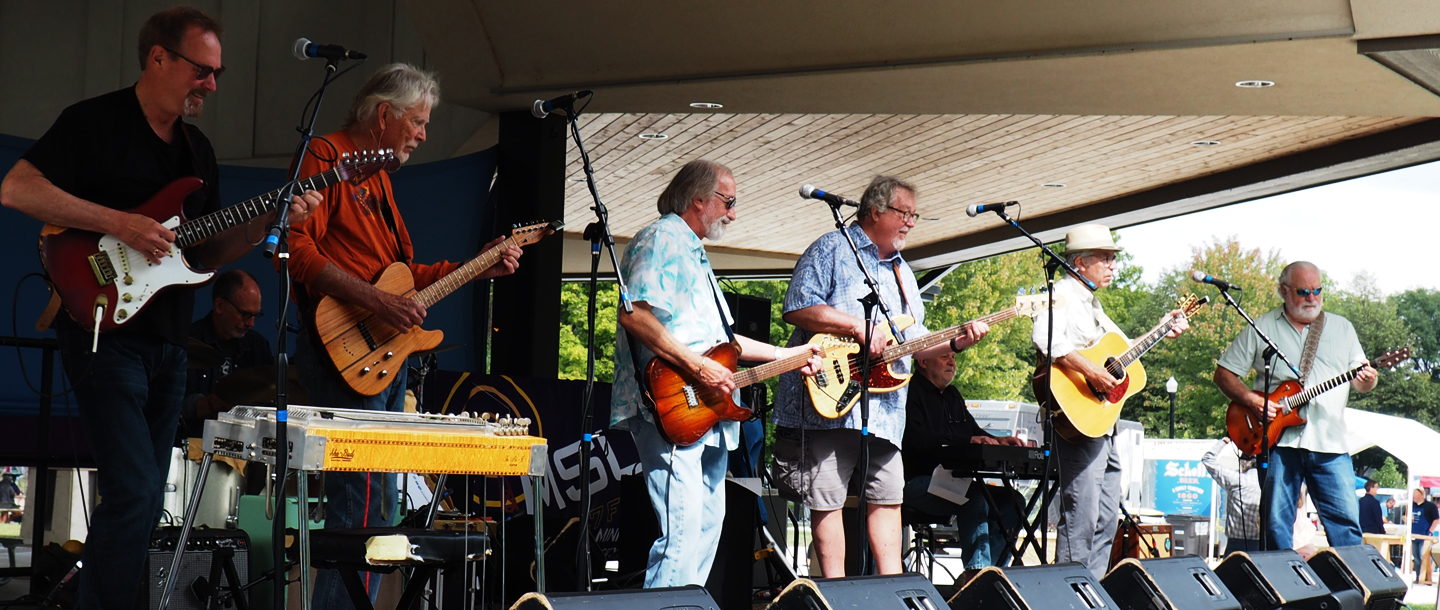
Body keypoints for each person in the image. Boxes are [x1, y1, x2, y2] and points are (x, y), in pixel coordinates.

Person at [0, 9, 320, 609]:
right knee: (136, 487)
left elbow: (207, 251)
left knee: (144, 498)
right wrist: (123, 223)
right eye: (203, 70)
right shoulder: (94, 122)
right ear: (159, 59)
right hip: (102, 330)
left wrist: (266, 224)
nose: (213, 86)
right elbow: (16, 188)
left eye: (217, 73)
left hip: (169, 344)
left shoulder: (198, 151)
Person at [286, 64, 521, 608]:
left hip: (382, 352)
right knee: (361, 510)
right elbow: (297, 252)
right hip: (345, 347)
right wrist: (375, 301)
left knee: (378, 511)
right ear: (384, 115)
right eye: (416, 122)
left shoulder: (381, 179)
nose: (422, 134)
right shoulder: (327, 157)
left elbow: (402, 277)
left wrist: (480, 267)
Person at [610, 159, 821, 587]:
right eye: (729, 201)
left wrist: (793, 354)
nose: (733, 213)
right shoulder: (662, 237)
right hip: (673, 407)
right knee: (682, 535)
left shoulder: (692, 251)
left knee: (706, 530)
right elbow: (634, 316)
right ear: (698, 199)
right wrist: (697, 366)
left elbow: (727, 345)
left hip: (709, 411)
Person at [771, 175, 957, 577]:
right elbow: (798, 306)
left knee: (889, 497)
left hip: (886, 408)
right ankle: (833, 590)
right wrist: (856, 326)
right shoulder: (832, 248)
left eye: (914, 215)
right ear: (875, 211)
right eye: (904, 213)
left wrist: (956, 342)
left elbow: (915, 341)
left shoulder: (904, 273)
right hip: (830, 399)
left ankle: (891, 588)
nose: (911, 222)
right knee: (827, 500)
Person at [1032, 224, 1188, 577]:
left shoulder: (1093, 304)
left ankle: (1093, 587)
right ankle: (1068, 591)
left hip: (1101, 422)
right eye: (1105, 258)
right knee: (1082, 514)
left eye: (1113, 259)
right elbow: (1044, 338)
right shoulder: (1060, 295)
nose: (1113, 265)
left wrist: (1162, 327)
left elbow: (1121, 350)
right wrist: (1093, 372)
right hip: (1076, 417)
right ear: (1080, 263)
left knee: (1105, 515)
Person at [1213, 261, 1376, 551]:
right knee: (1276, 525)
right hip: (1278, 442)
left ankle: (1357, 592)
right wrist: (1253, 400)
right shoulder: (1262, 327)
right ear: (1284, 291)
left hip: (1330, 443)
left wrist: (1368, 379)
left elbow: (1361, 383)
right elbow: (1224, 373)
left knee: (1346, 526)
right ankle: (1284, 592)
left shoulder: (1342, 328)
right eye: (1303, 292)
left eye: (1317, 291)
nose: (1312, 298)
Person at [902, 350, 1029, 569]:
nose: (952, 361)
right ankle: (976, 574)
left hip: (954, 482)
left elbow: (974, 432)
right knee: (974, 494)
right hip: (916, 483)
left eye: (953, 357)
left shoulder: (953, 396)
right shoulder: (909, 393)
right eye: (944, 356)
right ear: (922, 361)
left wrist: (998, 441)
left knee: (1013, 500)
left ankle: (994, 571)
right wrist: (967, 439)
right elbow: (917, 439)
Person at [181, 269, 274, 435]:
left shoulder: (258, 346)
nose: (251, 323)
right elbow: (173, 406)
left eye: (256, 315)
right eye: (245, 314)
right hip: (194, 441)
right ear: (220, 306)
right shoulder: (188, 341)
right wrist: (215, 403)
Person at [1202, 438, 1263, 553]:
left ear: (1243, 462)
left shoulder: (1235, 479)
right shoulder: (1269, 483)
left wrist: (1226, 440)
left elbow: (1207, 459)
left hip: (1235, 543)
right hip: (1260, 543)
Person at [1411, 488, 1439, 582]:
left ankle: (1426, 576)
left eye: (1416, 495)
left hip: (1425, 535)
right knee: (1416, 557)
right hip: (1414, 535)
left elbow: (1436, 519)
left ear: (1422, 495)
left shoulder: (1430, 506)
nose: (1414, 497)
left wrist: (1430, 531)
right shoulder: (1411, 505)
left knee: (1423, 556)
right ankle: (1418, 576)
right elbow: (1404, 515)